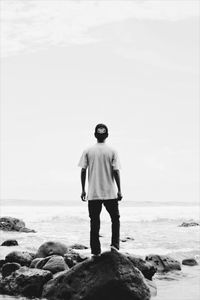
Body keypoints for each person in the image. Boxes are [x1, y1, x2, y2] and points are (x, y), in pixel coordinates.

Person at [78, 124, 123, 257]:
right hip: (110, 192)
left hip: (93, 193)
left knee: (94, 222)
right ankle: (114, 246)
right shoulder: (112, 151)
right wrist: (119, 190)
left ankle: (95, 252)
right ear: (107, 135)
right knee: (115, 219)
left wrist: (83, 190)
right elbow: (116, 171)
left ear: (95, 135)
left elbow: (83, 170)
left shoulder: (88, 150)